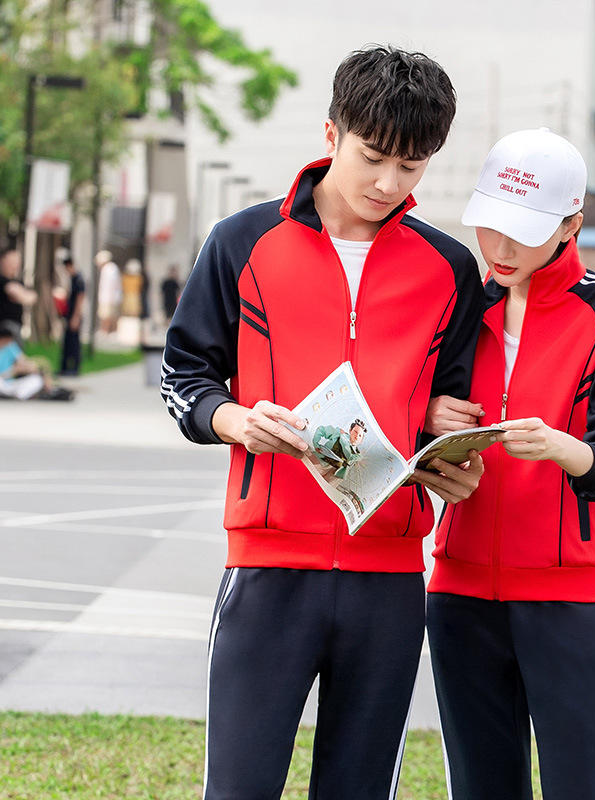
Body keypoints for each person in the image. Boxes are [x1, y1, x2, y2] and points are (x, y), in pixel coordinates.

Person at [160, 46, 485, 800]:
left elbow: (455, 407)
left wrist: (448, 451)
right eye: (373, 157)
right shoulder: (241, 243)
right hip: (268, 570)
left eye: (412, 166)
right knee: (239, 788)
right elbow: (184, 378)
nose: (388, 183)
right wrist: (234, 419)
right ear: (332, 134)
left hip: (391, 581)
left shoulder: (448, 269)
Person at [424, 129, 595, 800]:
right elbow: (408, 426)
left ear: (571, 224)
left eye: (522, 230)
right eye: (490, 225)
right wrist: (430, 420)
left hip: (569, 602)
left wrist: (562, 447)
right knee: (480, 788)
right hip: (461, 597)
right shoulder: (465, 306)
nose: (500, 248)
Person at [0, 322, 73, 401]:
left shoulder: (11, 347)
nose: (8, 343)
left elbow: (24, 361)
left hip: (11, 384)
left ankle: (48, 391)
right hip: (2, 383)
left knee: (36, 379)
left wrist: (34, 369)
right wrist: (13, 371)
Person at [0, 248, 37, 344]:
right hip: (6, 327)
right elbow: (17, 294)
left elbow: (33, 296)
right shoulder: (2, 280)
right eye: (12, 261)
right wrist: (23, 294)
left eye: (17, 261)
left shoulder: (18, 281)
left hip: (16, 325)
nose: (15, 264)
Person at [58, 255, 85, 376]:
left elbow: (80, 299)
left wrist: (76, 317)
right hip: (69, 314)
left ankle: (74, 368)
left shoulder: (79, 279)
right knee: (67, 342)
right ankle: (65, 368)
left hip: (75, 315)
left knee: (74, 343)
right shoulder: (73, 278)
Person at [95, 250, 122, 334]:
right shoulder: (109, 268)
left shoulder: (109, 269)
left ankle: (107, 331)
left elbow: (111, 285)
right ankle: (107, 331)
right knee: (106, 315)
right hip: (108, 297)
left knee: (108, 316)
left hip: (109, 297)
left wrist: (110, 298)